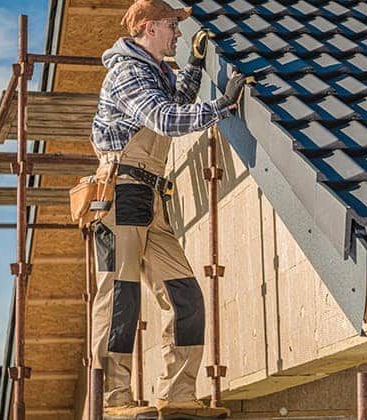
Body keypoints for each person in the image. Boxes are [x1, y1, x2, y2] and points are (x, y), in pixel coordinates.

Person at [89, 0, 247, 418]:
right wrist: (222, 107)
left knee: (185, 296)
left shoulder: (154, 71)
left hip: (151, 197)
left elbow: (175, 100)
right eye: (172, 26)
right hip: (120, 192)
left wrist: (195, 66)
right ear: (147, 27)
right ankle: (112, 401)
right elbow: (164, 118)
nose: (178, 33)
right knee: (120, 298)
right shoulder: (126, 72)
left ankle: (177, 395)